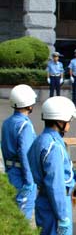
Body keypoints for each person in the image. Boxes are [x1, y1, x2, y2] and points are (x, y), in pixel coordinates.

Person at [27, 96, 76, 235]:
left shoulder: (41, 139)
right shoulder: (54, 147)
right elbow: (55, 185)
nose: (70, 123)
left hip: (45, 200)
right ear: (60, 120)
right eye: (69, 120)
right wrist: (62, 216)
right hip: (55, 206)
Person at [1, 84, 37, 219]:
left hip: (10, 172)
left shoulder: (7, 122)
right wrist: (29, 181)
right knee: (22, 220)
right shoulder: (25, 125)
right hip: (23, 175)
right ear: (29, 104)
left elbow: (4, 148)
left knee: (10, 216)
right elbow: (25, 154)